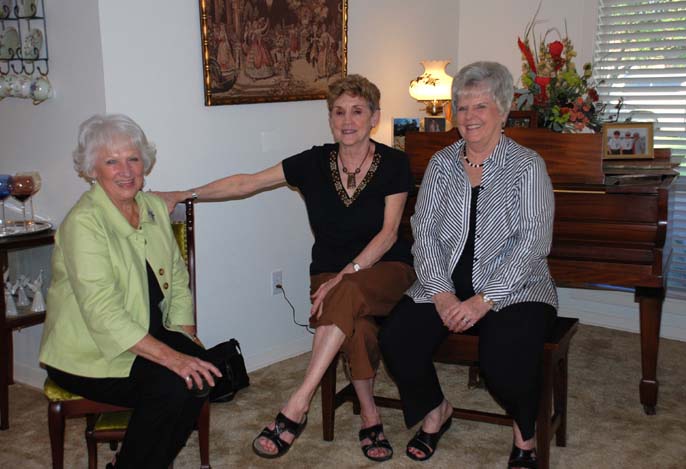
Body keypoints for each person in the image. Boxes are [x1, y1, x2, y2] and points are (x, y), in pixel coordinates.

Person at [156, 74, 416, 462]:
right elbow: (247, 183)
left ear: (374, 117)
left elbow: (389, 233)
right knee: (357, 329)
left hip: (386, 269)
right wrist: (183, 194)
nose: (347, 121)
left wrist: (344, 276)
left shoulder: (394, 163)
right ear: (330, 118)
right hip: (329, 274)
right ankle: (370, 416)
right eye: (338, 112)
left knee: (344, 292)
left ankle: (298, 403)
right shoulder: (313, 162)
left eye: (357, 111)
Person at [379, 62, 558, 468]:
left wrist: (483, 300)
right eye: (462, 107)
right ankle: (436, 409)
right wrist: (441, 294)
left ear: (503, 110)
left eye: (481, 106)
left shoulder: (527, 166)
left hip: (516, 288)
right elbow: (424, 232)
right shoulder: (441, 163)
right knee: (396, 340)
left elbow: (532, 243)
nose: (469, 116)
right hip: (443, 283)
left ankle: (525, 435)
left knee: (502, 360)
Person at [39, 114, 222, 469]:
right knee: (173, 383)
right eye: (112, 161)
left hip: (147, 334)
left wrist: (184, 338)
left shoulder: (152, 208)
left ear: (144, 163)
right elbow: (103, 314)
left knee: (203, 374)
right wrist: (174, 358)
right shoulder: (84, 223)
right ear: (92, 170)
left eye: (133, 159)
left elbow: (178, 279)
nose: (125, 171)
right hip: (89, 352)